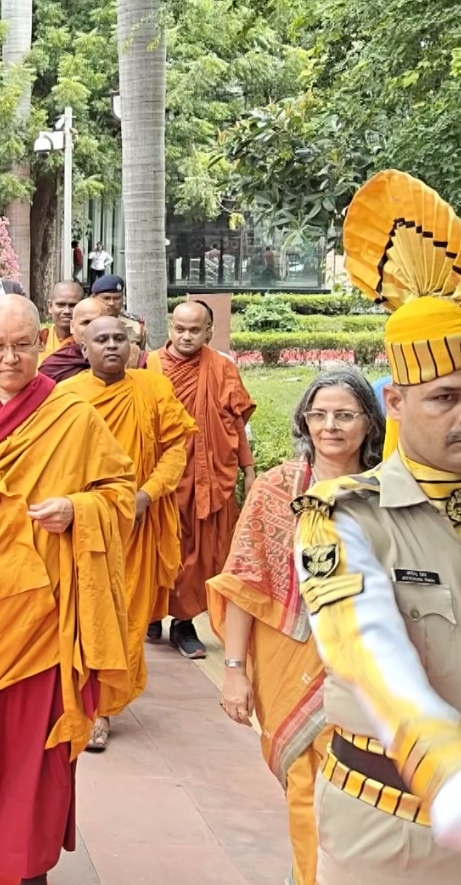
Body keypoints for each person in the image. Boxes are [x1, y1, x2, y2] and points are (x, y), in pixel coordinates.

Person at [0, 295, 135, 885]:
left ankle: (31, 864)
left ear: (42, 341)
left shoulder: (72, 416)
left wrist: (77, 507)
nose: (10, 358)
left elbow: (121, 493)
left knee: (36, 751)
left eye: (21, 345)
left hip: (44, 612)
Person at [291, 169, 461, 881]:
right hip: (390, 831)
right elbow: (364, 645)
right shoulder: (340, 515)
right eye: (446, 397)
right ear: (394, 400)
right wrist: (441, 766)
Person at [208, 370, 383, 885]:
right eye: (319, 414)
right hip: (288, 662)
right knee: (304, 787)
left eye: (345, 415)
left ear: (369, 424)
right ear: (304, 421)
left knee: (358, 794)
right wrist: (235, 671)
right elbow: (244, 581)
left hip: (366, 670)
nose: (330, 426)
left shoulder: (387, 493)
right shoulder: (276, 487)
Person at [57, 316, 196, 751]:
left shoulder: (154, 389)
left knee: (129, 619)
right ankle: (77, 695)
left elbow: (177, 448)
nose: (113, 346)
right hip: (86, 526)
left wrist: (147, 495)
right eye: (102, 340)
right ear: (84, 350)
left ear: (135, 346)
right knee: (85, 614)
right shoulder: (67, 396)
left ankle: (104, 710)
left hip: (139, 525)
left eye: (121, 339)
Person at [149, 300, 256, 658]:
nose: (186, 336)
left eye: (195, 330)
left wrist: (249, 470)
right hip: (162, 476)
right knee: (160, 546)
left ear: (209, 331)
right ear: (170, 328)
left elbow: (237, 422)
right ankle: (153, 609)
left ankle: (183, 623)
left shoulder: (222, 368)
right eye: (180, 328)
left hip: (208, 474)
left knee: (199, 551)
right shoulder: (150, 366)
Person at [39, 297, 107, 383]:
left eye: (98, 322)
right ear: (72, 327)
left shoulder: (123, 360)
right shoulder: (53, 366)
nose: (92, 329)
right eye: (86, 323)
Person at [40, 281, 84, 362]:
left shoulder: (88, 343)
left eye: (72, 305)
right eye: (61, 305)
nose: (67, 311)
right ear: (50, 306)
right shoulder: (39, 340)